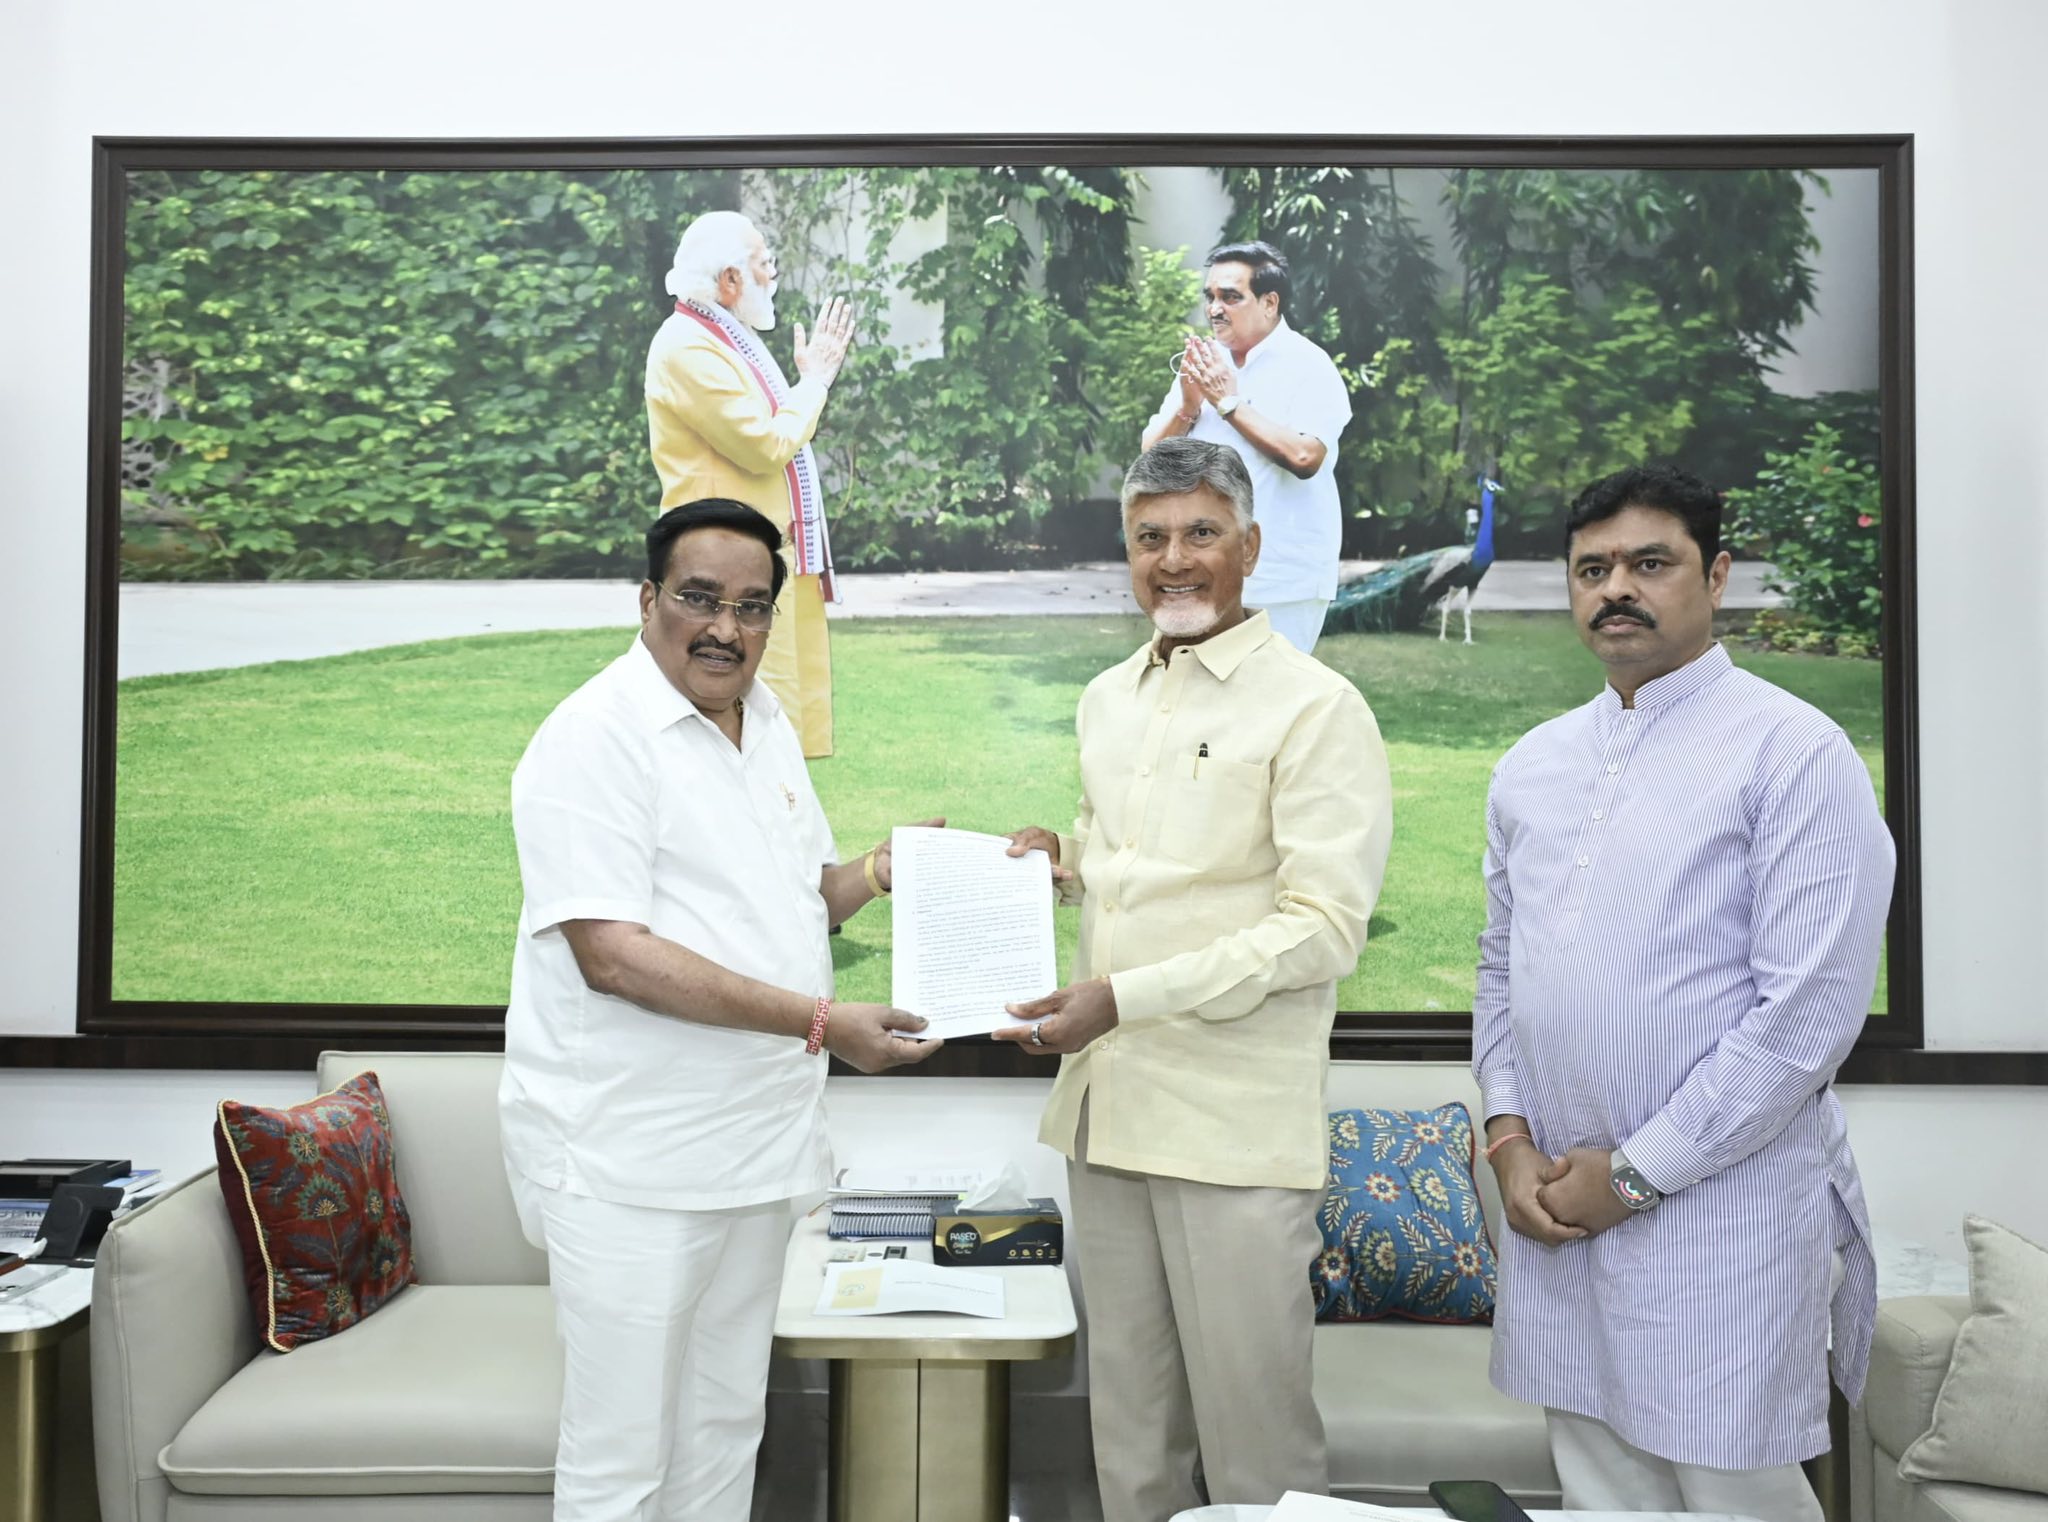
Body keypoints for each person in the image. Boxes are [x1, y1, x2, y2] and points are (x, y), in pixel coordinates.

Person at [499, 497, 943, 1522]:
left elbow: (797, 900)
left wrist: (879, 870)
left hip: (755, 1150)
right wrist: (824, 1025)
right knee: (622, 1461)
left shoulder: (764, 722)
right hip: (631, 1164)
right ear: (646, 599)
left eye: (750, 607)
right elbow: (613, 957)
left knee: (723, 1427)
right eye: (699, 599)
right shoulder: (591, 739)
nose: (724, 629)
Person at [1472, 465, 1893, 1522]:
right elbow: (1500, 968)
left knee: (1735, 1495)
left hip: (1721, 1219)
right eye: (1592, 569)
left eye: (1648, 563)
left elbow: (1804, 1021)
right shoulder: (1532, 764)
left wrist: (1632, 1177)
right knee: (1600, 1493)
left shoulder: (1792, 753)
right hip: (1557, 1214)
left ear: (1716, 576)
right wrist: (1509, 1138)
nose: (1616, 588)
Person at [996, 437, 1394, 1520]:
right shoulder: (1106, 699)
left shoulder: (1315, 708)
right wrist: (1061, 866)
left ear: (1249, 548)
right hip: (1106, 1115)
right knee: (1130, 1445)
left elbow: (1320, 931)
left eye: (1200, 534)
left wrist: (1122, 999)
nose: (1173, 559)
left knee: (1259, 1462)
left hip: (1231, 1131)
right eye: (1150, 538)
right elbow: (1136, 871)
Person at [647, 210, 853, 758]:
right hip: (720, 573)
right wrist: (814, 382)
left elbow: (775, 435)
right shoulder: (687, 345)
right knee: (737, 726)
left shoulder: (723, 338)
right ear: (731, 279)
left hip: (756, 561)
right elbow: (764, 445)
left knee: (776, 726)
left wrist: (806, 386)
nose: (773, 274)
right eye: (765, 263)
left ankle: (783, 816)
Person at [1142, 240, 1352, 655]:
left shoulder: (1309, 365)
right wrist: (1187, 408)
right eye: (1210, 297)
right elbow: (1151, 457)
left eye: (1230, 297)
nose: (1215, 309)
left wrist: (1228, 403)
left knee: (1273, 692)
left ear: (1270, 303)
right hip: (1202, 573)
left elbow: (1305, 456)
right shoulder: (1205, 361)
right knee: (1196, 689)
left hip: (1282, 579)